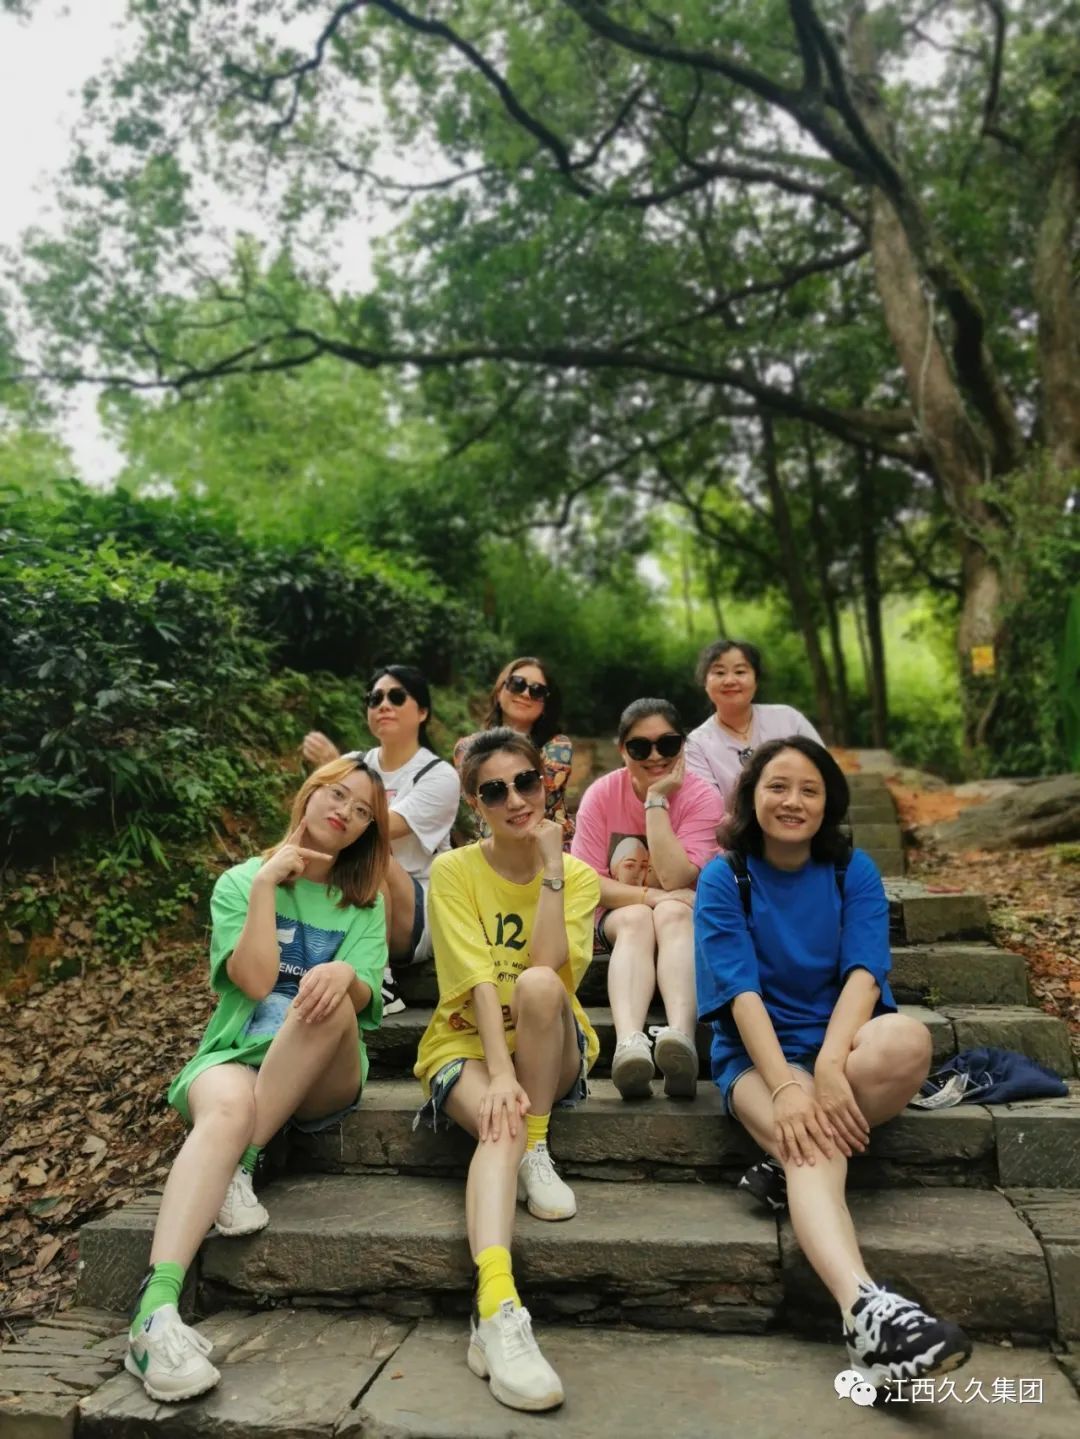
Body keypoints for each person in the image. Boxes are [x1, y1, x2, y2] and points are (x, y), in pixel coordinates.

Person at [694, 736, 971, 1389]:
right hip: (757, 1058)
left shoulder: (854, 870)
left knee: (908, 1040)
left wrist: (824, 1069)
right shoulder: (724, 877)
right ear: (752, 796)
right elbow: (740, 994)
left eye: (809, 789)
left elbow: (865, 973)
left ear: (828, 804)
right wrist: (786, 1088)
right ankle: (865, 1312)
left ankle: (783, 1160)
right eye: (777, 786)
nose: (792, 801)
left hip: (843, 1048)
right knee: (813, 1147)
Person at [126, 758, 391, 1403]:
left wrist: (347, 977)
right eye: (338, 794)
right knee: (224, 1109)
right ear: (310, 792)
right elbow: (252, 981)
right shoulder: (242, 881)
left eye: (363, 812)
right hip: (235, 1055)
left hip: (323, 1068)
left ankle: (241, 1165)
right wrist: (268, 883)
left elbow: (362, 999)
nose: (346, 813)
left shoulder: (364, 902)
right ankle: (155, 1313)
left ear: (367, 832)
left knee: (330, 995)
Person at [413, 728, 599, 1412]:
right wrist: (498, 1074)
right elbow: (476, 982)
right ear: (475, 803)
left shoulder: (576, 876)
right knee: (500, 1124)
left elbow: (544, 971)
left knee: (541, 987)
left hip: (551, 1047)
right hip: (466, 1044)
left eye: (526, 782)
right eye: (495, 790)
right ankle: (495, 1307)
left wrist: (552, 868)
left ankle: (538, 1146)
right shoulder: (454, 871)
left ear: (544, 783)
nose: (516, 799)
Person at [571, 699, 723, 1100]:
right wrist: (650, 895)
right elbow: (586, 881)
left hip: (680, 916)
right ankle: (630, 1044)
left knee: (673, 910)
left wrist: (656, 800)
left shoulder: (702, 797)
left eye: (667, 744)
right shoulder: (602, 794)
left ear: (683, 745)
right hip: (620, 915)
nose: (655, 756)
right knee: (639, 915)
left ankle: (681, 1041)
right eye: (641, 747)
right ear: (623, 750)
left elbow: (676, 876)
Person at [303, 665, 460, 1013]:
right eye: (375, 699)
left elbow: (379, 827)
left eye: (397, 697)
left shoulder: (439, 776)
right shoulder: (354, 762)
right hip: (350, 888)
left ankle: (381, 978)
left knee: (370, 849)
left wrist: (331, 767)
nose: (383, 705)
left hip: (414, 912)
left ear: (422, 712)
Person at [685, 639, 823, 808]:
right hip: (735, 825)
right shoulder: (696, 745)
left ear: (756, 680)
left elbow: (824, 772)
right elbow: (707, 808)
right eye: (719, 673)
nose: (730, 680)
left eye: (740, 672)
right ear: (705, 683)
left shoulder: (789, 719)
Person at [453, 657, 574, 844]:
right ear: (499, 691)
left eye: (537, 690)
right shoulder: (466, 748)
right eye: (517, 684)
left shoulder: (558, 747)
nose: (525, 694)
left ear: (545, 704)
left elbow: (532, 798)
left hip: (552, 850)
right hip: (494, 850)